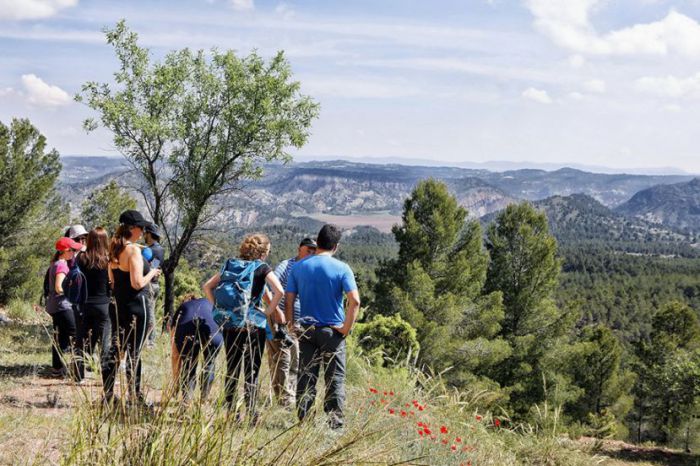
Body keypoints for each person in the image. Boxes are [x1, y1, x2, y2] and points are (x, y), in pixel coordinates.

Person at [202, 233, 284, 422]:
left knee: (232, 370)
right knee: (252, 372)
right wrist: (267, 312)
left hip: (230, 324)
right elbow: (279, 290)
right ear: (263, 252)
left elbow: (207, 286)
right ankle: (252, 414)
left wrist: (219, 308)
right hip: (254, 326)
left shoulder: (232, 265)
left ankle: (232, 414)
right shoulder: (262, 268)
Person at [285, 224, 360, 429]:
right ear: (336, 246)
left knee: (306, 377)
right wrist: (345, 328)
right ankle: (334, 426)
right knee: (334, 379)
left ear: (317, 242)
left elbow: (289, 298)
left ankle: (304, 423)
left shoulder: (298, 267)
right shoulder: (342, 268)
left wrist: (291, 325)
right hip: (332, 332)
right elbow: (355, 301)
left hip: (306, 330)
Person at [102, 210, 161, 405]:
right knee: (134, 353)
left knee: (116, 349)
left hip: (119, 305)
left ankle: (108, 393)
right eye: (141, 228)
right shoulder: (133, 251)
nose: (143, 232)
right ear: (132, 228)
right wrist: (152, 272)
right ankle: (134, 397)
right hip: (137, 304)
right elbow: (137, 283)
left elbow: (112, 280)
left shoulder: (114, 248)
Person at [268, 237, 317, 407]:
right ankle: (285, 402)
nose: (311, 253)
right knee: (283, 360)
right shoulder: (286, 265)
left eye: (313, 251)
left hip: (299, 325)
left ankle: (290, 397)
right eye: (308, 249)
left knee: (296, 361)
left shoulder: (310, 270)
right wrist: (277, 311)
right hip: (280, 321)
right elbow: (270, 288)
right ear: (299, 249)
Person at [74, 227, 112, 382]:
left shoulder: (81, 258)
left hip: (84, 305)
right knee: (105, 343)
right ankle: (107, 379)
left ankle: (78, 376)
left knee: (81, 341)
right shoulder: (109, 259)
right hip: (103, 305)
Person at [169, 294, 222, 402]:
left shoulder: (183, 307)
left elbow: (175, 353)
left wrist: (175, 385)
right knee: (209, 363)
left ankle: (186, 403)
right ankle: (203, 400)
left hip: (187, 330)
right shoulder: (209, 302)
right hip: (213, 330)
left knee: (189, 365)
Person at [45, 237, 83, 378]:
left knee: (59, 338)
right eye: (73, 250)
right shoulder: (62, 265)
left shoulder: (55, 263)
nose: (74, 252)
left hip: (56, 307)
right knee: (76, 337)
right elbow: (59, 287)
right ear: (66, 251)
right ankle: (78, 370)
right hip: (64, 307)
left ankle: (57, 368)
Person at [143, 223, 164, 345]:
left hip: (149, 284)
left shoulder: (148, 250)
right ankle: (149, 340)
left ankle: (150, 342)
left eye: (145, 233)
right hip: (155, 284)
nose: (144, 235)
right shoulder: (160, 249)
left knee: (149, 313)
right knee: (151, 312)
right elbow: (155, 266)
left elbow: (143, 266)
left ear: (150, 234)